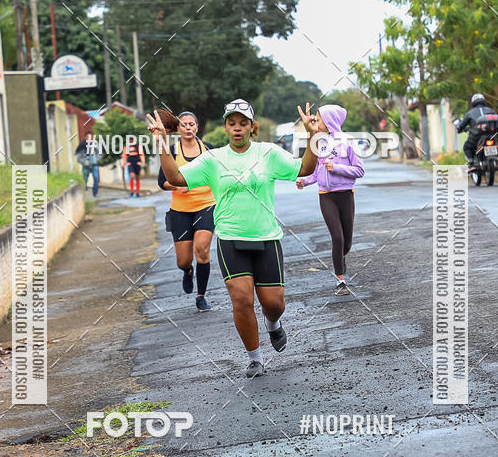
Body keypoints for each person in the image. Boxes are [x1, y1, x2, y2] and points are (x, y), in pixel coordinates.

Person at [148, 99, 319, 377]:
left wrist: (314, 137)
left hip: (266, 237)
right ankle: (255, 358)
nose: (237, 128)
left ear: (252, 127)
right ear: (226, 127)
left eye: (243, 123)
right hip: (231, 239)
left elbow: (305, 169)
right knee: (242, 300)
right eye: (232, 123)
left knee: (274, 304)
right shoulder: (213, 159)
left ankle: (273, 324)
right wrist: (161, 143)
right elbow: (176, 178)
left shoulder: (268, 153)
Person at [296, 105, 364, 295]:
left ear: (330, 120)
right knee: (337, 238)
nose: (316, 122)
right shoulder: (320, 143)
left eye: (319, 119)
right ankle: (341, 282)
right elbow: (317, 171)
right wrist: (304, 181)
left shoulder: (348, 141)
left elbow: (359, 170)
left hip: (346, 195)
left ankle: (340, 259)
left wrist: (336, 168)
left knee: (346, 243)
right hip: (326, 196)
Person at [157, 110, 216, 312]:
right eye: (184, 124)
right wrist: (177, 186)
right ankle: (188, 271)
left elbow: (220, 172)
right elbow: (162, 182)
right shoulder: (172, 151)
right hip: (180, 210)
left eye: (192, 124)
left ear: (197, 128)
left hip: (206, 205)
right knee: (183, 260)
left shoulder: (209, 149)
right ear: (178, 128)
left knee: (202, 250)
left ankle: (201, 296)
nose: (188, 127)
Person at [456, 93, 498, 169]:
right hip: (491, 136)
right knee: (496, 144)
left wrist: (459, 129)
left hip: (475, 138)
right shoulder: (491, 110)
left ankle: (471, 163)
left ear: (473, 102)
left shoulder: (469, 113)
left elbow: (462, 125)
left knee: (467, 147)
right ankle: (495, 160)